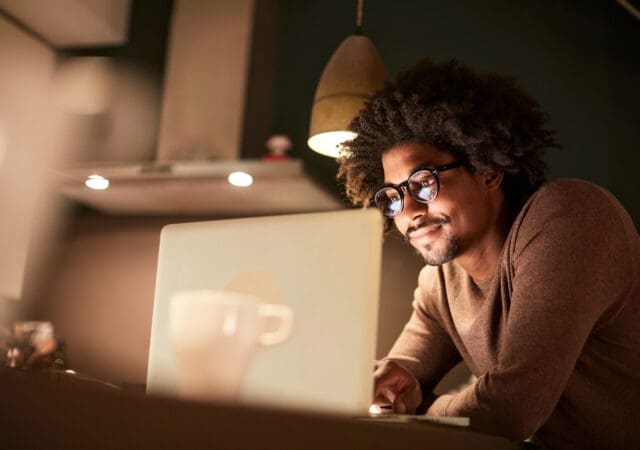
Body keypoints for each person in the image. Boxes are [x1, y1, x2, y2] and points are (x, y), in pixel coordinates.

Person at [337, 59, 639, 450]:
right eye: (393, 196)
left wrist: (424, 410)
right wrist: (389, 386)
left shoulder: (570, 217)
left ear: (488, 170)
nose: (408, 211)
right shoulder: (440, 284)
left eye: (423, 183)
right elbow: (396, 386)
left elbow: (510, 410)